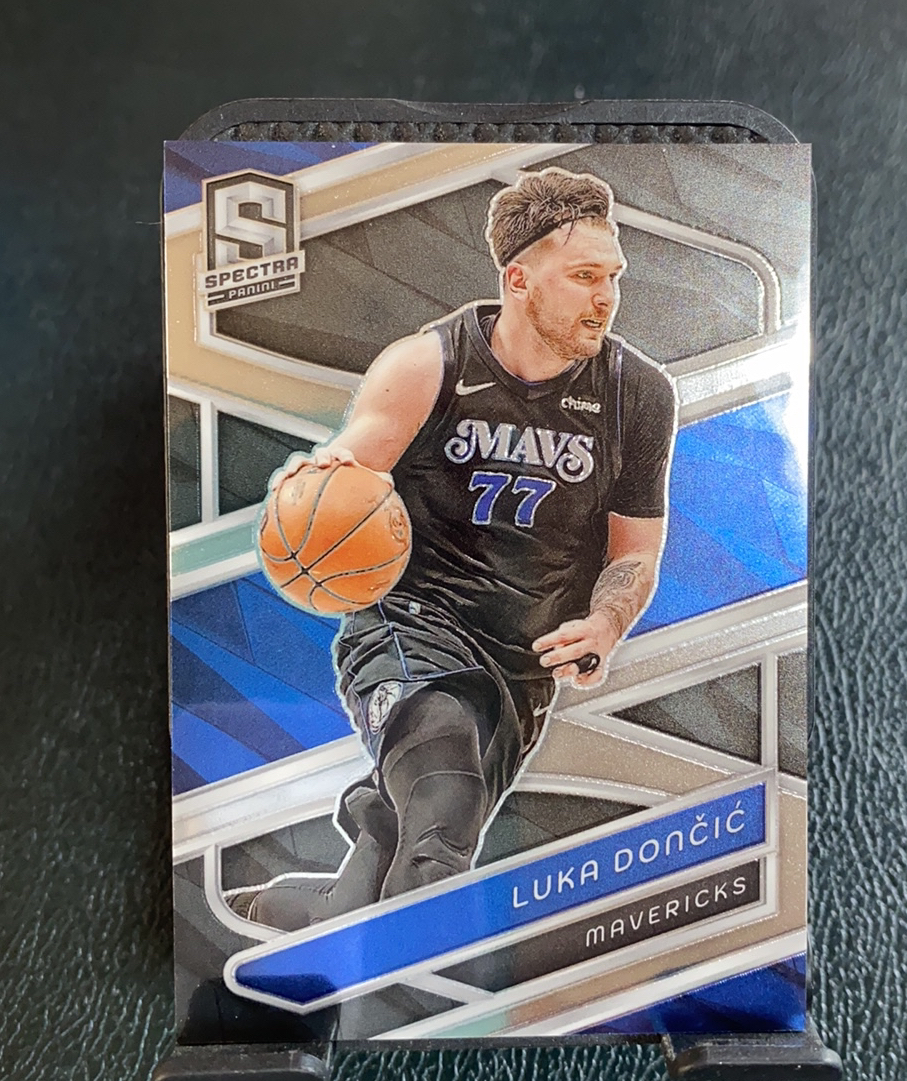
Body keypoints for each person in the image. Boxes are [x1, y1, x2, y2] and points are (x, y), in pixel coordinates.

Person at [238, 167, 677, 935]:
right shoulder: (429, 365)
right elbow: (349, 471)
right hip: (410, 625)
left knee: (382, 880)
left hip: (521, 671)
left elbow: (635, 552)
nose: (606, 296)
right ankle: (416, 990)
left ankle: (284, 910)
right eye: (584, 276)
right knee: (444, 805)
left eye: (613, 276)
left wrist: (606, 622)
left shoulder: (636, 393)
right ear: (518, 279)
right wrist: (310, 487)